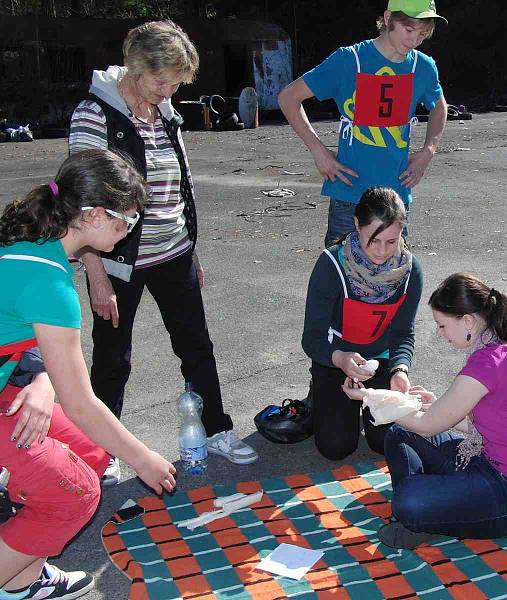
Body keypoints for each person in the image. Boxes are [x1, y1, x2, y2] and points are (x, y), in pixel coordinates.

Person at [68, 20, 257, 485]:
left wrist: (190, 248)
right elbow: (78, 199)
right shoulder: (95, 115)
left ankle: (216, 430)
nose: (169, 90)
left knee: (197, 346)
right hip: (115, 260)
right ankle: (101, 448)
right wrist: (94, 272)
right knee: (113, 357)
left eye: (175, 82)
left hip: (172, 251)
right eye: (162, 80)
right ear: (135, 66)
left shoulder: (166, 111)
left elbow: (180, 186)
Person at [0, 149, 176, 600]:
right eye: (128, 220)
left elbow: (25, 336)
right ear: (96, 215)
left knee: (94, 452)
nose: (131, 230)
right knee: (73, 494)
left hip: (10, 386)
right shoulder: (50, 282)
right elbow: (80, 402)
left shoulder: (32, 240)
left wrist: (42, 380)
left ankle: (21, 578)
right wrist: (144, 459)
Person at [342, 273, 507, 549]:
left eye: (442, 325)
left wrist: (369, 396)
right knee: (400, 433)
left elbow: (428, 425)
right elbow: (490, 424)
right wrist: (434, 404)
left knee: (409, 500)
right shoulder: (499, 349)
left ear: (467, 320)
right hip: (493, 464)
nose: (440, 333)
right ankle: (438, 508)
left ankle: (427, 513)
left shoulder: (488, 364)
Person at [278, 0, 448, 247]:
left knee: (393, 279)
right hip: (349, 196)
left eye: (422, 34)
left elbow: (440, 106)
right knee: (341, 278)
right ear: (388, 18)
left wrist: (428, 151)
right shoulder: (349, 60)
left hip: (396, 197)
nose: (414, 41)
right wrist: (319, 152)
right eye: (409, 30)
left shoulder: (423, 66)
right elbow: (288, 98)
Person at [302, 187, 423, 460]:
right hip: (336, 361)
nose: (382, 252)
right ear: (357, 225)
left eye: (392, 241)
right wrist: (340, 359)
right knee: (336, 448)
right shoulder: (331, 265)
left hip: (380, 362)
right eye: (374, 240)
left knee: (386, 442)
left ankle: (362, 410)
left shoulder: (410, 271)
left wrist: (400, 370)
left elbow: (404, 333)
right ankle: (322, 396)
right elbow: (312, 339)